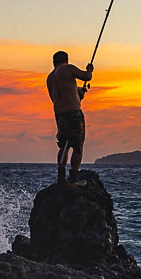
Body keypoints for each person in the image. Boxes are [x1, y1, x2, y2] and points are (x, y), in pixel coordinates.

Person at [46, 50, 93, 182]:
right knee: (78, 145)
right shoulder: (68, 69)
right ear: (66, 60)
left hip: (60, 116)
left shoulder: (50, 78)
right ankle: (73, 178)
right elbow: (86, 77)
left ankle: (61, 178)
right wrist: (89, 69)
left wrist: (78, 93)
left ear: (53, 62)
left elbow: (56, 97)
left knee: (64, 145)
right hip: (74, 113)